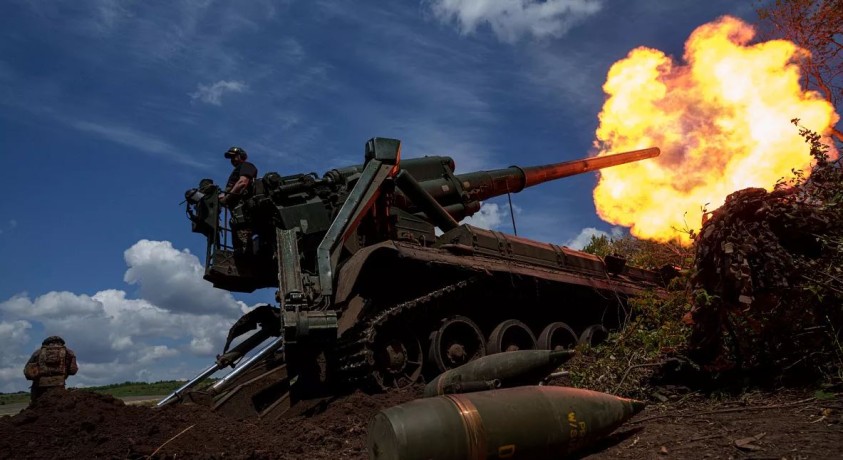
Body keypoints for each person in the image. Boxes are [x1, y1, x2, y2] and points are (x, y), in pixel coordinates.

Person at [219, 146, 259, 253]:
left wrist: (226, 198)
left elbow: (242, 183)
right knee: (239, 248)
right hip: (237, 218)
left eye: (234, 156)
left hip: (244, 216)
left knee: (245, 248)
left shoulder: (246, 166)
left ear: (242, 156)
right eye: (231, 158)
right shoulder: (237, 170)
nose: (232, 160)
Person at [23, 336, 78, 402]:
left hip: (39, 385)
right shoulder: (69, 352)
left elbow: (27, 370)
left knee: (37, 406)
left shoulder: (38, 352)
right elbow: (73, 371)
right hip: (59, 384)